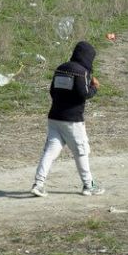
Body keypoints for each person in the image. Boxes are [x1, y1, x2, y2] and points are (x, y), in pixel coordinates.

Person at [31, 41, 105, 197]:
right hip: (73, 121)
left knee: (49, 153)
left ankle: (38, 184)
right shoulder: (82, 72)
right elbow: (84, 94)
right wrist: (95, 87)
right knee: (81, 152)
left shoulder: (60, 68)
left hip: (54, 118)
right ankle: (88, 186)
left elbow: (52, 91)